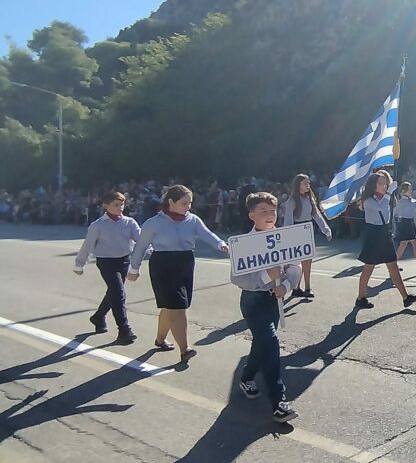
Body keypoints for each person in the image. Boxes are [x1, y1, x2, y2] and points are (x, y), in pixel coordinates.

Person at [128, 185, 229, 364]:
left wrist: (220, 245)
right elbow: (140, 247)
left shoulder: (193, 220)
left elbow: (207, 234)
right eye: (184, 203)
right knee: (178, 307)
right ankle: (185, 349)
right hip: (163, 265)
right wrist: (134, 269)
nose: (188, 207)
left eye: (190, 203)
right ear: (171, 202)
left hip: (185, 263)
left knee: (170, 307)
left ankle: (160, 340)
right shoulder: (153, 223)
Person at [234, 192, 299, 423]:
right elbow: (238, 278)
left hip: (275, 300)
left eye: (272, 211)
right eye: (264, 211)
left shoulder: (285, 238)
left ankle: (247, 376)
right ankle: (279, 402)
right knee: (270, 343)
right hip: (253, 301)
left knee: (262, 343)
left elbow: (295, 266)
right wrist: (265, 274)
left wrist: (287, 285)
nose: (270, 215)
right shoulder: (243, 244)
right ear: (252, 215)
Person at [74, 191, 141, 344]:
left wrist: (153, 248)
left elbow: (140, 239)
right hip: (106, 263)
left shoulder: (129, 222)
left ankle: (98, 317)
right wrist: (80, 263)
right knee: (119, 293)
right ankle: (124, 330)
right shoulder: (98, 225)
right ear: (106, 205)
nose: (120, 208)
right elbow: (88, 246)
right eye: (116, 205)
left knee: (113, 293)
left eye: (122, 204)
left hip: (124, 261)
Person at [354, 171, 416, 310]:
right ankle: (360, 298)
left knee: (393, 266)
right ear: (373, 186)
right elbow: (380, 207)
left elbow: (387, 214)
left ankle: (405, 297)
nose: (384, 185)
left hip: (384, 233)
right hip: (373, 234)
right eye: (380, 183)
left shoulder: (385, 198)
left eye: (385, 182)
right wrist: (389, 193)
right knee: (368, 268)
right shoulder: (368, 201)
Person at [282, 174, 332, 299]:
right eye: (305, 183)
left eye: (308, 183)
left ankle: (308, 287)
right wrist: (287, 236)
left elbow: (316, 215)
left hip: (308, 229)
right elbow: (288, 220)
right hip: (296, 230)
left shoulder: (310, 198)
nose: (308, 185)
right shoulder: (292, 201)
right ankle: (296, 287)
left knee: (307, 260)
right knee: (297, 261)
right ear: (298, 184)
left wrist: (326, 229)